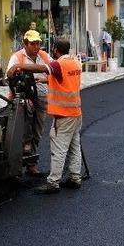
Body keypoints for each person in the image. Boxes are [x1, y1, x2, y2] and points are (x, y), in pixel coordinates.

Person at [34, 38, 83, 194]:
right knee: (75, 146)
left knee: (59, 148)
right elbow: (64, 80)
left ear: (55, 49)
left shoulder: (58, 64)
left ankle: (53, 182)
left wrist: (19, 66)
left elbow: (44, 68)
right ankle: (75, 178)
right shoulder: (74, 62)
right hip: (76, 112)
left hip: (63, 114)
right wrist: (44, 80)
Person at [7, 30, 53, 177]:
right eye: (33, 43)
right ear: (25, 44)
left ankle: (32, 163)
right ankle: (18, 165)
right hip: (22, 99)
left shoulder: (44, 56)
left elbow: (54, 70)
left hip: (41, 97)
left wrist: (45, 80)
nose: (36, 46)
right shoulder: (17, 57)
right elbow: (9, 76)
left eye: (38, 43)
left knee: (37, 131)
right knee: (21, 131)